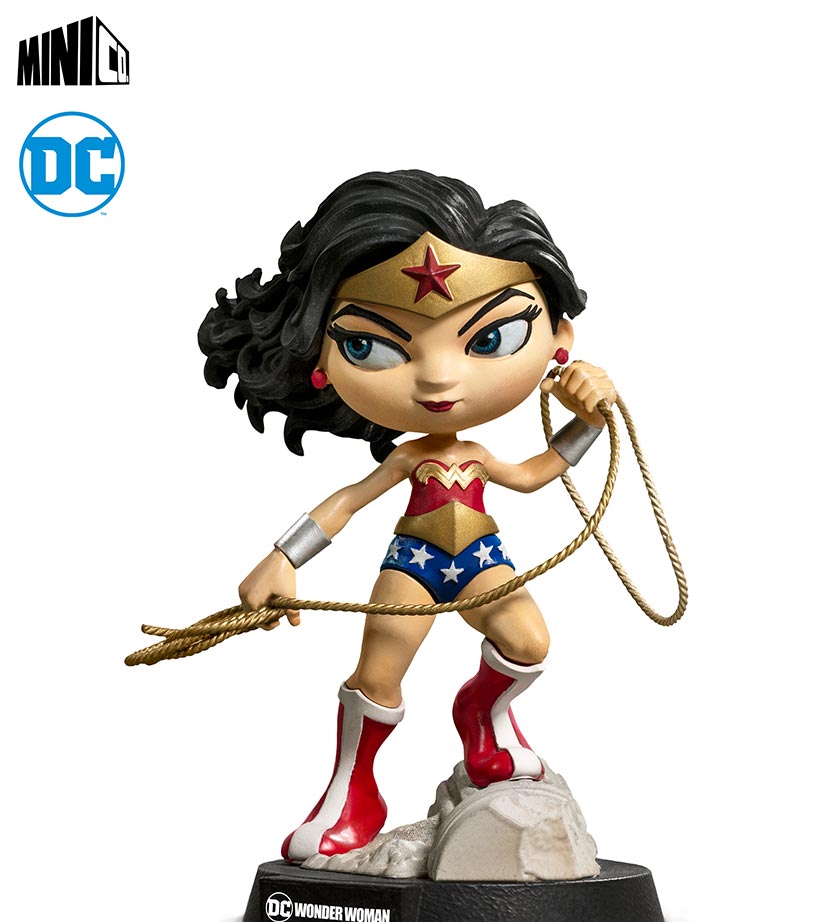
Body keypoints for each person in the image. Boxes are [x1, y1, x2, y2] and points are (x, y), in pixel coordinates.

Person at [199, 170, 616, 862]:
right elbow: (348, 501)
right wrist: (282, 557)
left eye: (490, 338)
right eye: (372, 345)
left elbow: (535, 473)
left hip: (481, 561)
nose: (438, 378)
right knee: (379, 676)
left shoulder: (479, 455)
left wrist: (590, 422)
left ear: (559, 337)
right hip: (412, 568)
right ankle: (351, 790)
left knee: (528, 643)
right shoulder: (406, 458)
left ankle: (482, 716)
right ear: (320, 358)